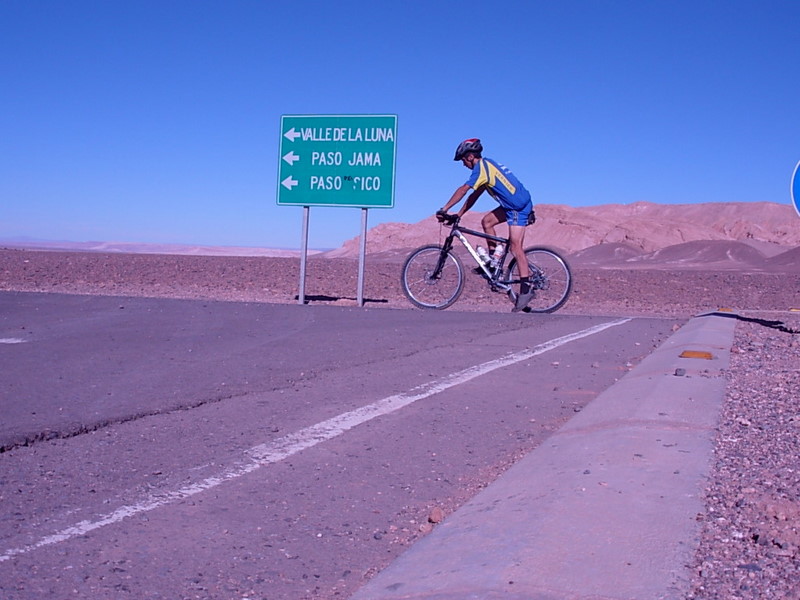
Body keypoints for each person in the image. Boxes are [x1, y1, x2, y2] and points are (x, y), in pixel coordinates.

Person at [436, 138, 536, 312]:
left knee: (515, 247)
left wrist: (444, 208)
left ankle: (526, 290)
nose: (463, 164)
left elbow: (463, 190)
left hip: (517, 207)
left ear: (470, 156)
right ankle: (493, 263)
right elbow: (474, 196)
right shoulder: (487, 167)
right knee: (487, 221)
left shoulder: (481, 168)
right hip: (513, 204)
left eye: (463, 160)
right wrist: (458, 214)